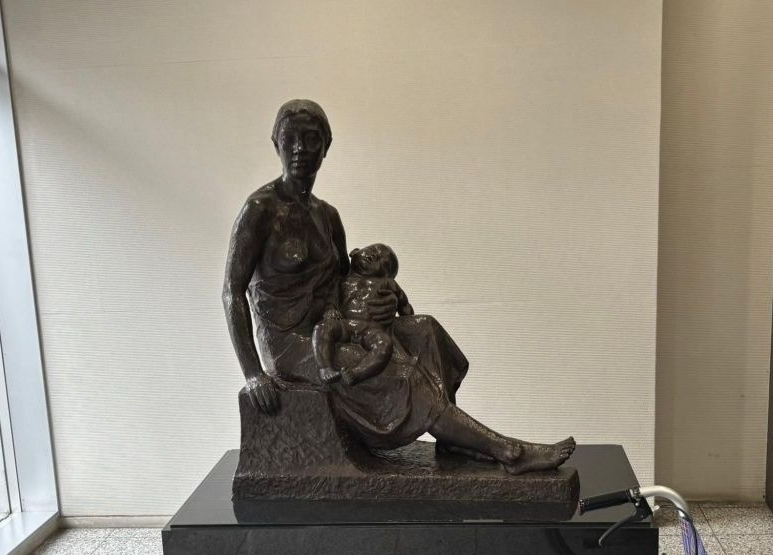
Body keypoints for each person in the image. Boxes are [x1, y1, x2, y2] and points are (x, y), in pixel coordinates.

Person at [223, 99, 574, 474]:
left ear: (326, 147)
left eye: (311, 139)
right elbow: (232, 291)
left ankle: (453, 438)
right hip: (290, 341)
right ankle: (508, 452)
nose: (300, 149)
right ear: (275, 142)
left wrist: (382, 300)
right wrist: (253, 373)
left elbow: (344, 280)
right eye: (290, 138)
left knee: (425, 331)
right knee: (396, 372)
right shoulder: (260, 210)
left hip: (336, 322)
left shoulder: (328, 216)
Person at [312, 243, 413, 386]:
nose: (373, 256)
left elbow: (404, 304)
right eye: (371, 251)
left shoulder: (388, 284)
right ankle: (324, 368)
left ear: (387, 275)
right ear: (354, 252)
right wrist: (330, 310)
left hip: (371, 329)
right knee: (322, 328)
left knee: (384, 344)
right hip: (345, 325)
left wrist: (406, 316)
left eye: (382, 262)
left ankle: (357, 373)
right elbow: (331, 300)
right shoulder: (341, 282)